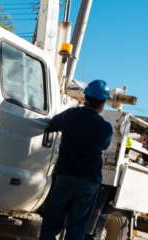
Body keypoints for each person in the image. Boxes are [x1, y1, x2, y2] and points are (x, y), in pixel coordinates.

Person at [38, 79, 114, 240]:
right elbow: (104, 146)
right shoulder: (105, 128)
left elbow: (52, 124)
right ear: (101, 104)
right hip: (88, 185)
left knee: (51, 225)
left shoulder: (69, 116)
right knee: (76, 231)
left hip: (64, 180)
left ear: (85, 97)